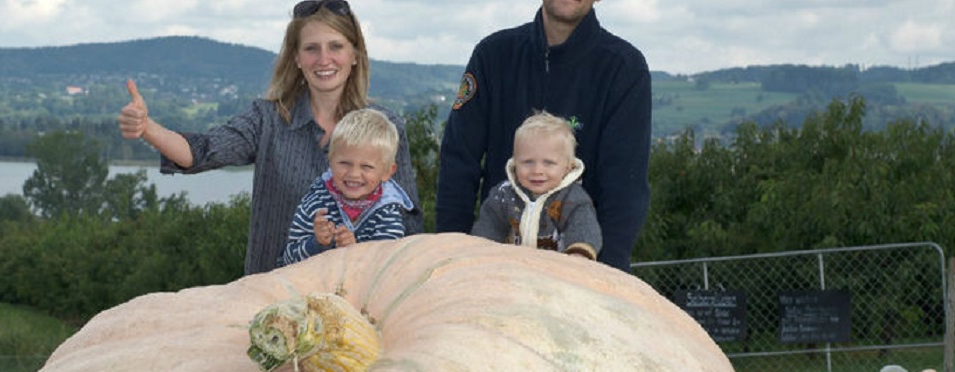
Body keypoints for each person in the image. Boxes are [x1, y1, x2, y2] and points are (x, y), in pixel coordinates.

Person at [118, 0, 422, 276]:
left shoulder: (386, 126)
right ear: (297, 58)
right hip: (274, 295)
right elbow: (203, 152)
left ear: (354, 54)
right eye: (311, 48)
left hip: (359, 297)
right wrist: (148, 128)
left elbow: (408, 224)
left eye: (336, 47)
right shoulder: (267, 120)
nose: (324, 59)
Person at [435, 0, 651, 272]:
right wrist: (450, 255)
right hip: (494, 268)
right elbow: (458, 160)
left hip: (581, 272)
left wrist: (605, 275)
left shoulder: (624, 68)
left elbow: (625, 188)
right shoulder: (493, 55)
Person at [280, 108, 413, 265]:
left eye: (366, 167)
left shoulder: (387, 212)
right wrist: (316, 243)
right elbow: (287, 260)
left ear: (387, 172)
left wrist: (354, 251)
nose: (354, 174)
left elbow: (385, 267)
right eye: (345, 163)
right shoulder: (316, 203)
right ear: (330, 160)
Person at [471, 111, 600, 259]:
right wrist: (482, 250)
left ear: (567, 167)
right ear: (515, 162)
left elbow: (583, 228)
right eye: (528, 162)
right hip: (511, 266)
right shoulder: (503, 195)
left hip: (556, 268)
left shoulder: (573, 198)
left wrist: (579, 255)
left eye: (548, 163)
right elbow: (489, 226)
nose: (537, 171)